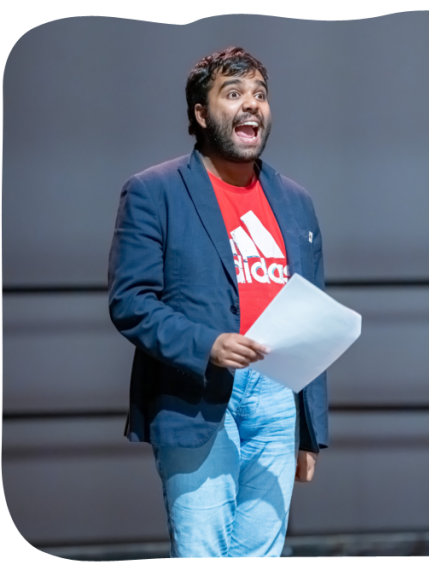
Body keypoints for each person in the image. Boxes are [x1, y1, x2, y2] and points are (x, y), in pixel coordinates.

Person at [108, 47, 328, 557]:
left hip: (278, 395)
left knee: (262, 556)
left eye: (260, 95)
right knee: (204, 553)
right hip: (197, 392)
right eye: (233, 94)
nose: (251, 104)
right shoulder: (154, 191)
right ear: (202, 114)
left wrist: (309, 432)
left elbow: (314, 316)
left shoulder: (296, 200)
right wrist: (207, 344)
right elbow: (131, 301)